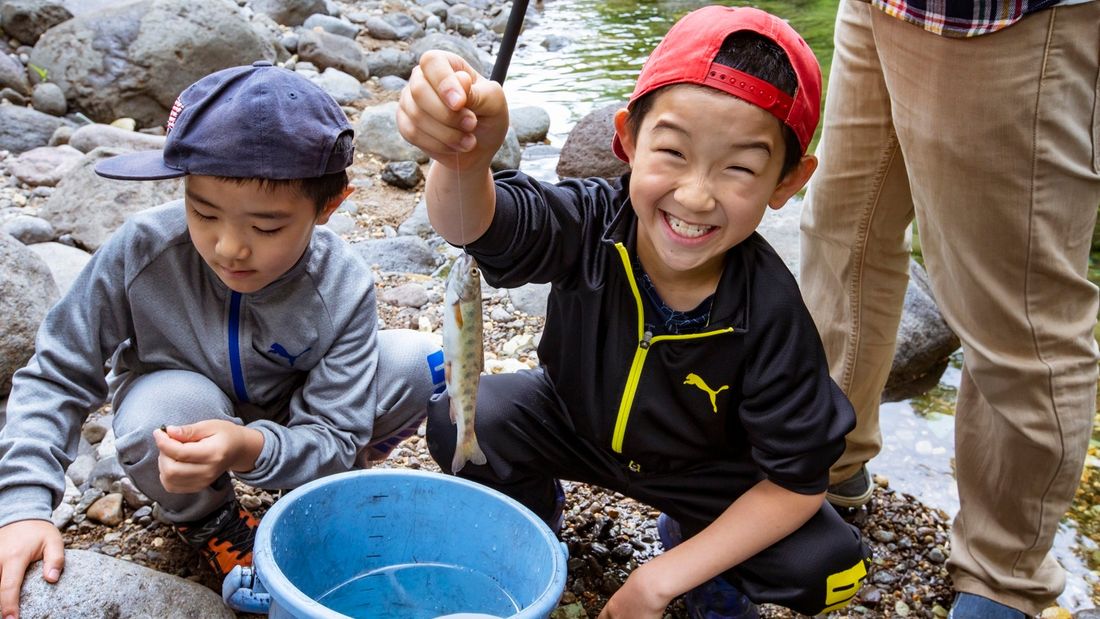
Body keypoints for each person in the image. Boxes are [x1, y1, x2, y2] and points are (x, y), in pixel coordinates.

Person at [398, 7, 871, 618]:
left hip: (705, 476)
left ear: (788, 181)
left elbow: (797, 482)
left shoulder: (773, 313)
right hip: (572, 424)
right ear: (627, 138)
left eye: (740, 168)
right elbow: (475, 224)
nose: (695, 195)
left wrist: (658, 581)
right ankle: (535, 530)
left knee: (826, 567)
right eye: (672, 151)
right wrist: (463, 156)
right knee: (465, 420)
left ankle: (699, 558)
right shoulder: (590, 222)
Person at [0, 61, 443, 619]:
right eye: (203, 212)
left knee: (417, 360)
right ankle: (210, 519)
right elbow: (57, 370)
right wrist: (21, 508)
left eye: (266, 228)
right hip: (182, 410)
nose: (230, 248)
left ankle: (315, 490)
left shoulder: (343, 284)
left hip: (288, 418)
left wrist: (251, 447)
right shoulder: (142, 250)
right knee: (163, 410)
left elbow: (334, 430)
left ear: (329, 205)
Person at [798, 0, 1100, 615]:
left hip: (1004, 19)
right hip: (887, 6)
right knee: (842, 238)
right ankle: (832, 461)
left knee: (1013, 309)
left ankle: (1002, 573)